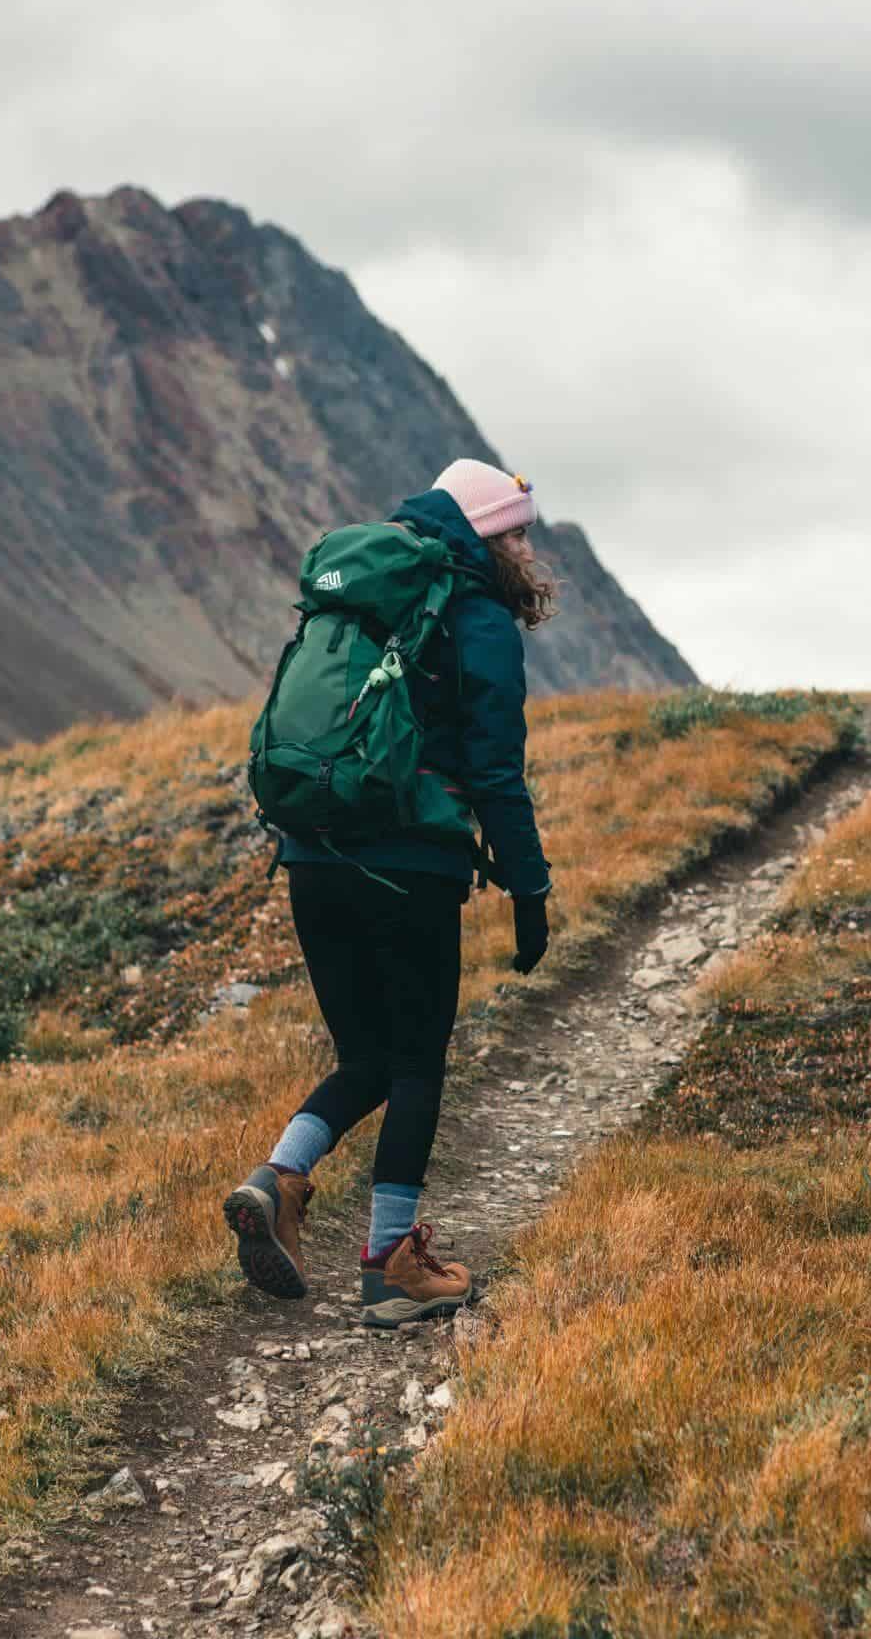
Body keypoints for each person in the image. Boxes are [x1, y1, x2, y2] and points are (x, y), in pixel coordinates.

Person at [223, 458, 558, 1328]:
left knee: (367, 1056)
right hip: (408, 864)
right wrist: (528, 889)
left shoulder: (362, 597)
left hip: (312, 853)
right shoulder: (475, 615)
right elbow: (494, 771)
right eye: (516, 531)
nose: (526, 548)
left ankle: (279, 1178)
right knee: (416, 1063)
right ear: (486, 534)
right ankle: (390, 1269)